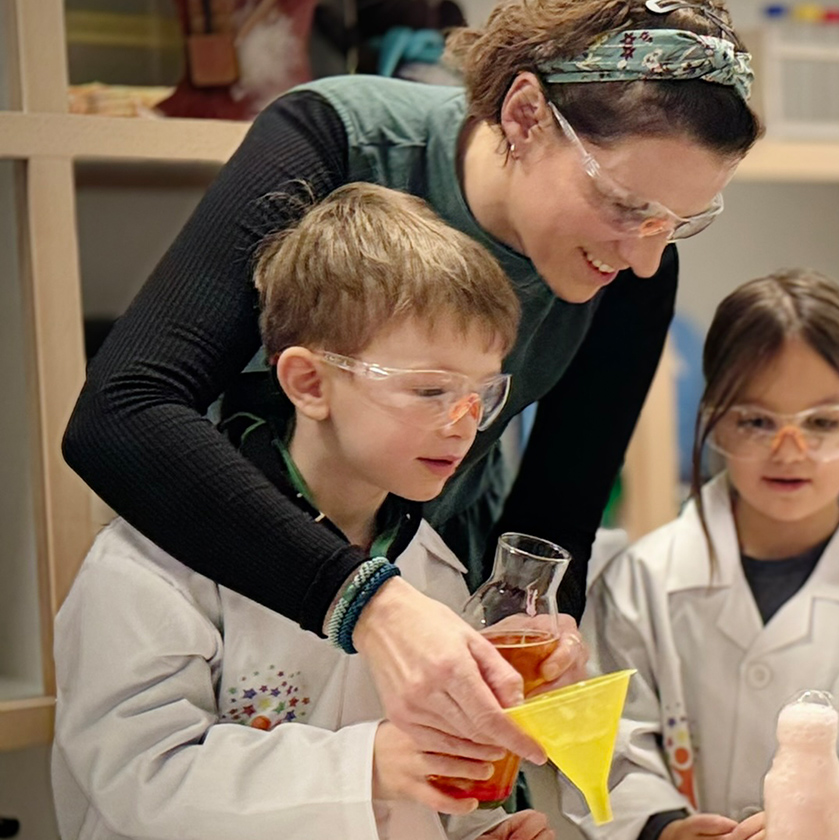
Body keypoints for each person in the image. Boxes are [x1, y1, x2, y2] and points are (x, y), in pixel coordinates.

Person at [60, 0, 764, 767]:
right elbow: (121, 413)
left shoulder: (632, 274)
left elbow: (551, 528)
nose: (644, 258)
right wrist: (368, 603)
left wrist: (526, 638)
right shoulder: (335, 142)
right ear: (525, 114)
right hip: (240, 579)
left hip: (429, 584)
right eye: (626, 205)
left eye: (680, 221)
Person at [53, 184, 563, 840]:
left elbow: (417, 792)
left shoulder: (426, 565)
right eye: (432, 390)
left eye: (483, 394)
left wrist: (466, 832)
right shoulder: (150, 563)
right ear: (309, 383)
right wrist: (367, 765)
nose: (464, 424)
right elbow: (140, 777)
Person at [570, 269, 839, 840]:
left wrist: (812, 826)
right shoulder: (641, 581)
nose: (790, 452)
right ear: (714, 423)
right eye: (757, 421)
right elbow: (610, 749)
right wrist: (664, 828)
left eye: (824, 423)